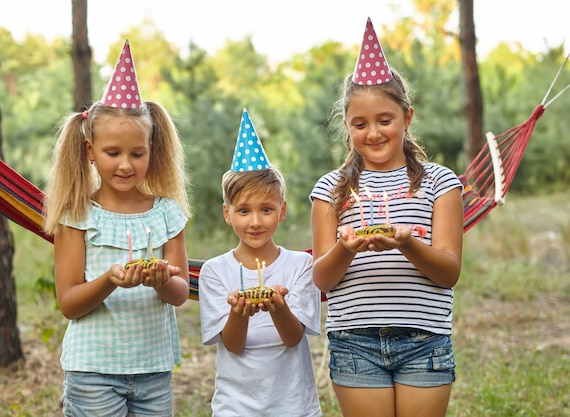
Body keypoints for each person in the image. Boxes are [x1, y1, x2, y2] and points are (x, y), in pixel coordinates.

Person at [310, 18, 464, 417]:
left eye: (385, 120)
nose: (373, 133)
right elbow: (322, 279)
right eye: (360, 124)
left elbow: (448, 272)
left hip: (425, 340)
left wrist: (408, 243)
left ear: (407, 117)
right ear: (346, 125)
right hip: (354, 341)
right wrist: (345, 249)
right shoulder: (329, 189)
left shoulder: (440, 183)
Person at [43, 40, 191, 417]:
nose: (125, 165)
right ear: (90, 150)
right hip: (92, 371)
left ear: (152, 149)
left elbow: (179, 293)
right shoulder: (76, 215)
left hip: (153, 370)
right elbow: (69, 303)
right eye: (113, 153)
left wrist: (161, 279)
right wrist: (110, 279)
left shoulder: (167, 214)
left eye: (136, 154)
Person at [199, 108, 322, 417]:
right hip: (236, 408)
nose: (255, 221)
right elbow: (234, 345)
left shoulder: (300, 266)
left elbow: (293, 338)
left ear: (281, 212)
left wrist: (278, 306)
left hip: (293, 406)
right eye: (243, 211)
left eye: (266, 209)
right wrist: (238, 314)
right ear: (227, 214)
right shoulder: (215, 272)